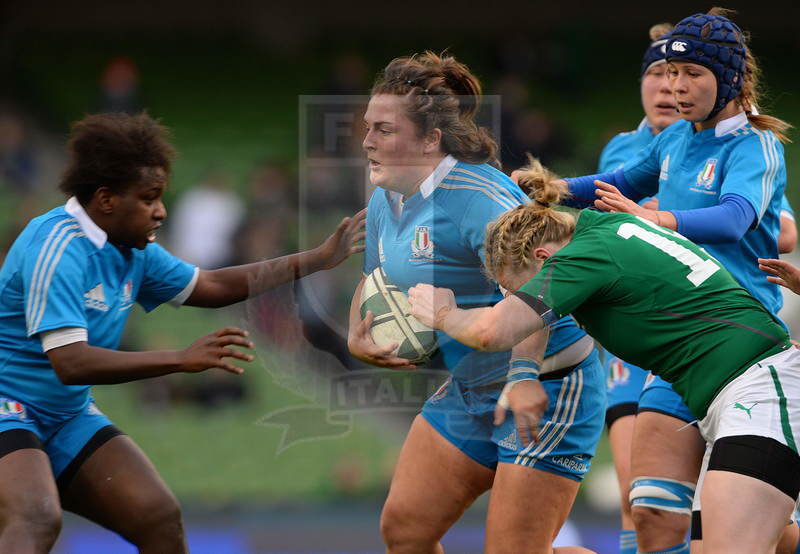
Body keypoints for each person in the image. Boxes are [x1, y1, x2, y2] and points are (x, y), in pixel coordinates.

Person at [0, 112, 365, 554]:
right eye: (150, 198)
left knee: (158, 516)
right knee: (36, 517)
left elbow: (210, 286)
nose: (161, 210)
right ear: (107, 200)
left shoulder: (129, 247)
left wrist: (315, 260)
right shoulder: (56, 249)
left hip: (65, 414)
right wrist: (179, 359)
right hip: (8, 406)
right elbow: (70, 362)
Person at [512, 9, 793, 553]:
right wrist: (545, 186)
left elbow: (737, 218)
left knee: (750, 534)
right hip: (673, 351)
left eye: (692, 75)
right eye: (669, 74)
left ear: (731, 78)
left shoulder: (756, 146)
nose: (675, 88)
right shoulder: (674, 140)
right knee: (651, 515)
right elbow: (618, 182)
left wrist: (656, 218)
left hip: (739, 345)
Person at [407, 178, 800, 554]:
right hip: (737, 393)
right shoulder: (605, 227)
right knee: (720, 538)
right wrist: (524, 373)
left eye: (519, 287)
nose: (520, 297)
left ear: (543, 259)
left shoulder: (582, 258)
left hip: (760, 390)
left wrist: (442, 313)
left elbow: (493, 331)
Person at [348, 51, 602, 553]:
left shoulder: (479, 197)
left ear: (428, 139)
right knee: (405, 529)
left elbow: (540, 287)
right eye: (367, 128)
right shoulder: (384, 197)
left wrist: (526, 377)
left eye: (383, 130)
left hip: (547, 386)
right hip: (473, 385)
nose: (367, 142)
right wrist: (356, 327)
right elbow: (376, 274)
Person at [594, 23, 681, 554]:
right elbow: (612, 220)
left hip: (705, 323)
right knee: (637, 496)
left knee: (708, 503)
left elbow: (783, 229)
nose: (665, 87)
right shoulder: (624, 149)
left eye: (678, 76)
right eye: (655, 73)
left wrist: (671, 214)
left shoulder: (732, 146)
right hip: (633, 333)